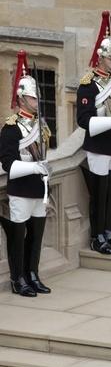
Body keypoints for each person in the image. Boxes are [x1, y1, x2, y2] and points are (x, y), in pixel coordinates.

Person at [78, 12, 111, 255]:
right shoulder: (88, 84)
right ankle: (97, 235)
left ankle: (108, 230)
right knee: (99, 193)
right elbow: (84, 120)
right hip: (99, 145)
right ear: (101, 59)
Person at [0, 51, 51, 296]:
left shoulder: (40, 125)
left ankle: (32, 274)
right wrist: (33, 167)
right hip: (21, 190)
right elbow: (8, 164)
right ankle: (18, 278)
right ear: (21, 99)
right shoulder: (11, 128)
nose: (36, 102)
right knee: (18, 238)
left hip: (38, 189)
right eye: (32, 98)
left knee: (36, 236)